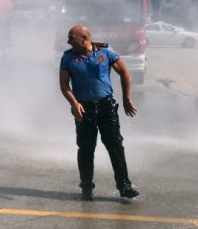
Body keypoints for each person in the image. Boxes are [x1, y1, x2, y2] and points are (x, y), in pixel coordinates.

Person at [59, 25, 140, 201]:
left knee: (115, 146)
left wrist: (127, 99)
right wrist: (74, 103)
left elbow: (124, 72)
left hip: (106, 106)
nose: (68, 42)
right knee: (86, 149)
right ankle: (86, 187)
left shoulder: (105, 51)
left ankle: (124, 186)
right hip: (83, 109)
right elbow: (64, 84)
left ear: (85, 38)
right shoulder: (68, 57)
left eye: (72, 38)